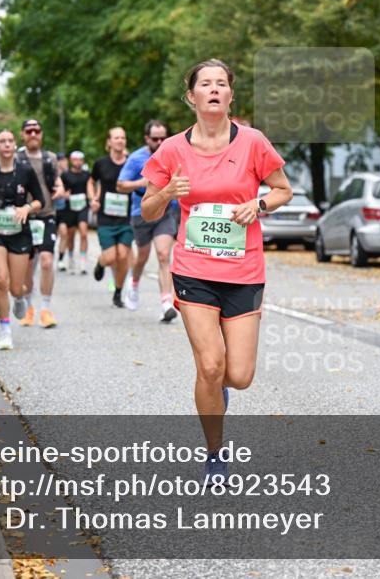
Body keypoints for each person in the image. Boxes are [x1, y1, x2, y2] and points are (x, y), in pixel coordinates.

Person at [140, 59, 293, 481]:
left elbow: (284, 190)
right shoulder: (171, 149)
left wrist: (257, 204)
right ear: (191, 96)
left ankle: (218, 388)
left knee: (238, 376)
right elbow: (149, 209)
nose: (213, 89)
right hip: (193, 270)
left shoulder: (253, 142)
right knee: (209, 365)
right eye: (205, 84)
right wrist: (169, 190)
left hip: (244, 269)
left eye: (221, 84)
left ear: (229, 95)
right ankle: (215, 454)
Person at [0, 130, 45, 351]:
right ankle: (5, 332)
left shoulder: (25, 171)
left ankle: (20, 298)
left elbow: (40, 200)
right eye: (2, 141)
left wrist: (27, 207)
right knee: (1, 281)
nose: (6, 144)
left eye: (10, 141)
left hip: (19, 232)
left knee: (15, 287)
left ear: (15, 145)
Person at [118, 120, 179, 321]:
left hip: (166, 212)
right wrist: (142, 182)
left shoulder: (173, 156)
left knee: (163, 255)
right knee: (142, 256)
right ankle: (134, 284)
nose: (160, 141)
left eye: (163, 137)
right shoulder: (136, 158)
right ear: (147, 139)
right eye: (155, 138)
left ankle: (166, 303)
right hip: (141, 212)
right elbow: (120, 185)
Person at [14, 118, 64, 329]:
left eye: (36, 131)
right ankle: (28, 306)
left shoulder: (50, 158)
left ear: (41, 134)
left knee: (46, 260)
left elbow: (58, 182)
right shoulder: (16, 158)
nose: (33, 134)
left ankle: (45, 308)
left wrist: (60, 190)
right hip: (24, 216)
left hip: (46, 214)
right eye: (29, 131)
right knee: (26, 265)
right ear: (23, 134)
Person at [89, 128, 134, 306]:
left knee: (123, 256)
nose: (120, 140)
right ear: (109, 142)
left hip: (126, 218)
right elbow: (91, 181)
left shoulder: (131, 163)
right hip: (106, 218)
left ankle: (118, 292)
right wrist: (92, 198)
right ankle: (100, 263)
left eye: (123, 137)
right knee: (110, 257)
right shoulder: (100, 163)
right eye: (116, 138)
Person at [54, 153, 72, 272]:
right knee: (52, 236)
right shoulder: (51, 174)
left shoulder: (67, 175)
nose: (66, 163)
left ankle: (60, 259)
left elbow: (70, 190)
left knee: (64, 234)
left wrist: (66, 195)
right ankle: (47, 255)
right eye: (63, 160)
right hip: (51, 210)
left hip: (63, 210)